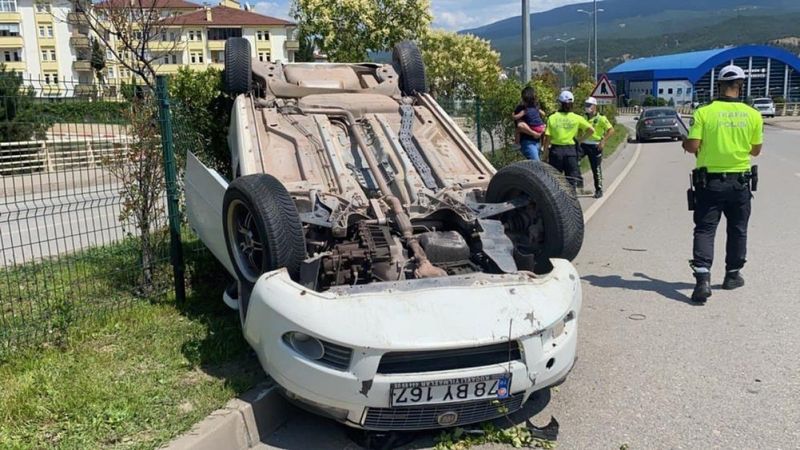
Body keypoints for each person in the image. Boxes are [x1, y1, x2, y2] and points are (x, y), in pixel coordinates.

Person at [682, 64, 763, 304]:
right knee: (738, 229)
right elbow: (756, 150)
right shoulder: (753, 114)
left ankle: (702, 279)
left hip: (710, 183)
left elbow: (693, 146)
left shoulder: (704, 112)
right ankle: (732, 275)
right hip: (740, 182)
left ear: (719, 85)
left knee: (705, 229)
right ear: (740, 86)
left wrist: (685, 142)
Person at [542, 90, 595, 188]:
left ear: (560, 103)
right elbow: (591, 130)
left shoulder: (552, 118)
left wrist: (545, 155)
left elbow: (547, 138)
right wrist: (580, 140)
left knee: (555, 181)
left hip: (556, 151)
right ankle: (571, 197)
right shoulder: (577, 118)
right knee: (571, 181)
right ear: (572, 104)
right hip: (571, 151)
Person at [579, 97, 615, 198]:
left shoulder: (601, 118)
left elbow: (611, 130)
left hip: (595, 145)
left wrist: (603, 141)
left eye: (589, 105)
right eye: (586, 105)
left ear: (595, 106)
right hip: (583, 145)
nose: (587, 107)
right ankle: (578, 184)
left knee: (596, 169)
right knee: (574, 162)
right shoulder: (583, 117)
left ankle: (598, 190)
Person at [513, 86, 546, 160]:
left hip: (538, 141)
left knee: (538, 164)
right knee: (536, 164)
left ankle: (543, 145)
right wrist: (534, 134)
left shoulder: (534, 107)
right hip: (528, 142)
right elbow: (520, 126)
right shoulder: (521, 108)